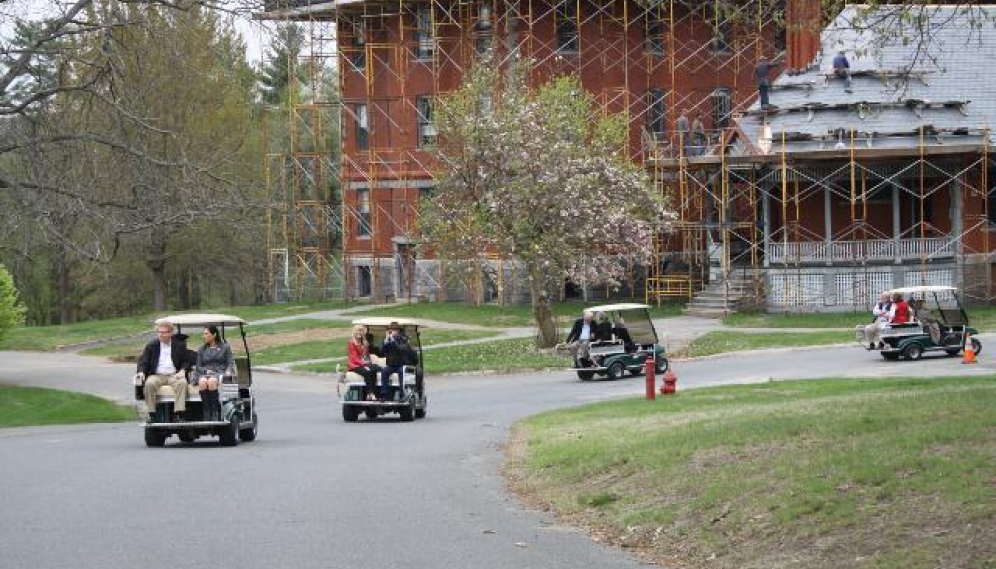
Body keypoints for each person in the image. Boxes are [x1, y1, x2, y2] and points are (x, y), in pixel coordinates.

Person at [138, 320, 192, 422]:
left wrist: (183, 370)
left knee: (183, 383)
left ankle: (179, 414)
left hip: (174, 375)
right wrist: (141, 372)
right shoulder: (151, 346)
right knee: (149, 383)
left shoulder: (179, 345)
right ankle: (151, 414)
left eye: (164, 332)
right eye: (159, 332)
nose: (161, 335)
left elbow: (186, 361)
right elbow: (143, 361)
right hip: (157, 375)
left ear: (171, 333)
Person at [194, 325, 234, 421]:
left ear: (214, 335)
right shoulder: (202, 349)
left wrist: (228, 370)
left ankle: (215, 410)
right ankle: (207, 411)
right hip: (205, 372)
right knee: (203, 382)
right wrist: (206, 371)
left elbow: (230, 362)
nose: (204, 336)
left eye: (206, 334)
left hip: (220, 372)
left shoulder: (225, 347)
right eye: (204, 334)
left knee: (211, 381)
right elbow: (198, 366)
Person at [379, 322, 413, 400]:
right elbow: (381, 351)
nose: (392, 332)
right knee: (384, 371)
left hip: (402, 364)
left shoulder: (403, 339)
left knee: (401, 372)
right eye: (390, 330)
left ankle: (402, 393)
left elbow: (401, 349)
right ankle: (384, 394)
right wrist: (386, 341)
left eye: (394, 330)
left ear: (398, 331)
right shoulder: (388, 339)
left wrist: (394, 341)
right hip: (392, 365)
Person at [347, 324, 380, 401]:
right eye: (358, 331)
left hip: (362, 363)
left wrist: (365, 346)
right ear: (354, 332)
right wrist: (364, 365)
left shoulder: (362, 342)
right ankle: (370, 393)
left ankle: (372, 393)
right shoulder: (352, 343)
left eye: (361, 331)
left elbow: (365, 355)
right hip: (354, 365)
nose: (359, 333)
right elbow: (354, 358)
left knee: (374, 369)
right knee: (367, 372)